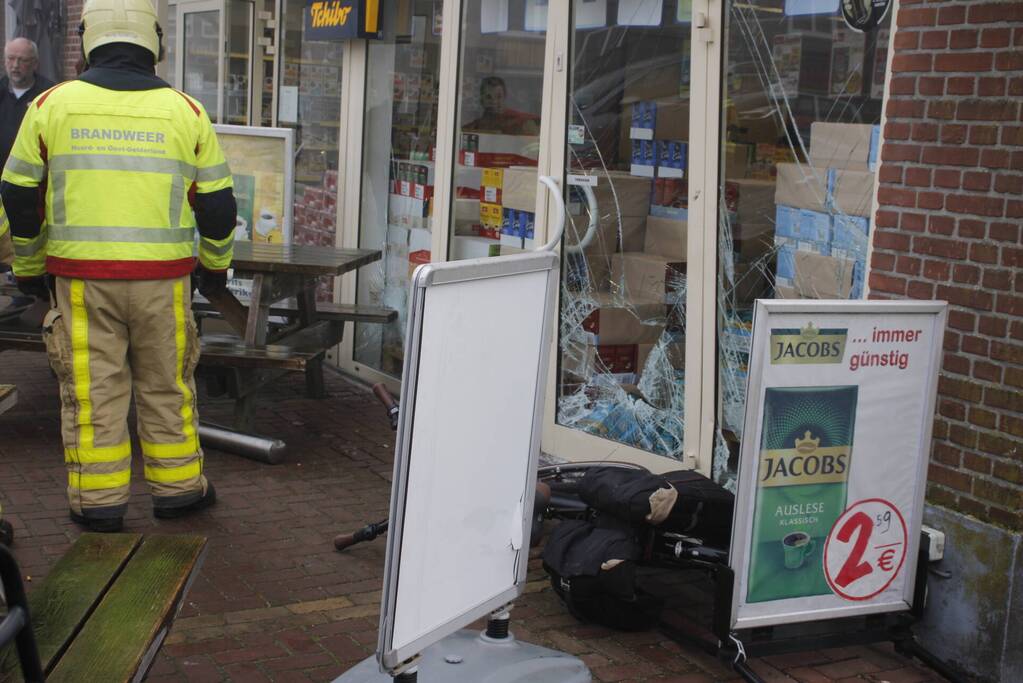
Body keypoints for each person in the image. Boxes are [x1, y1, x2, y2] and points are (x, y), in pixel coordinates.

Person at [1, 0, 236, 532]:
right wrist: (215, 269)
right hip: (164, 283)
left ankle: (98, 502)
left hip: (81, 283)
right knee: (167, 385)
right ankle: (178, 490)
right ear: (154, 39)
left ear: (88, 38)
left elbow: (18, 194)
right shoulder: (187, 111)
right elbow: (219, 206)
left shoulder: (50, 105)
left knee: (93, 389)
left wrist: (31, 268)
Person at [0, 38, 54, 268]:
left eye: (22, 60)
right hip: (2, 184)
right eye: (10, 59)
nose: (15, 65)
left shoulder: (50, 96)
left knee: (29, 240)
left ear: (35, 63)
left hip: (33, 188)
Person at [463, 76, 540, 136]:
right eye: (488, 97)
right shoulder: (474, 126)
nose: (494, 101)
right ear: (482, 100)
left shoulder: (518, 120)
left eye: (499, 96)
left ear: (505, 97)